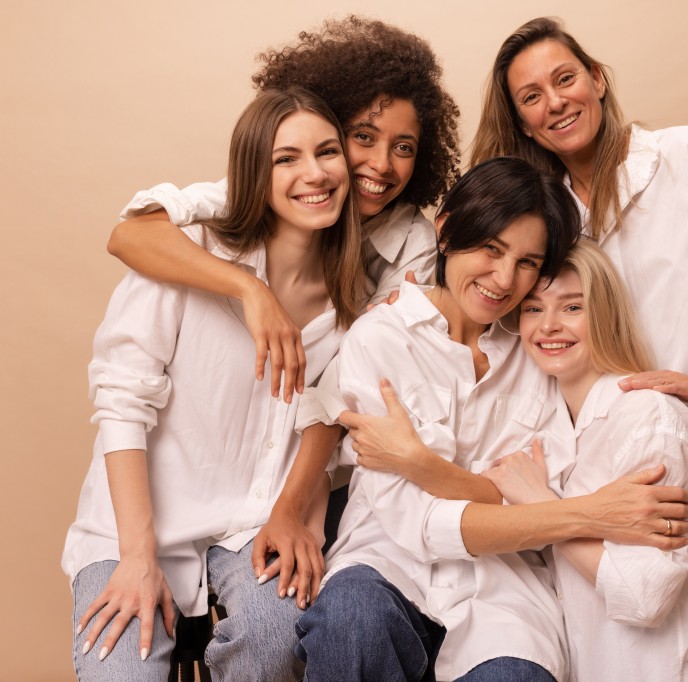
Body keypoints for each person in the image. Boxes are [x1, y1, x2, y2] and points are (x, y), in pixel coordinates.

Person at [471, 17, 688, 680]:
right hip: (638, 494)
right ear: (521, 122)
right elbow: (512, 307)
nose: (555, 101)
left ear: (598, 79)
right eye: (531, 96)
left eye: (565, 78)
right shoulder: (548, 217)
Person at [104, 16, 461, 606]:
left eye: (405, 148)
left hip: (333, 463)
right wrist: (253, 292)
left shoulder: (409, 247)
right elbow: (131, 237)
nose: (382, 164)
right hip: (223, 467)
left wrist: (292, 508)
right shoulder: (276, 183)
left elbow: (349, 388)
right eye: (363, 137)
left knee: (295, 618)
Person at [296, 157, 688, 681]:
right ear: (445, 233)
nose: (505, 279)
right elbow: (415, 522)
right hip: (386, 565)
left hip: (504, 593)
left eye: (528, 262)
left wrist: (419, 462)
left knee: (514, 676)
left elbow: (537, 494)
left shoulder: (538, 350)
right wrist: (583, 511)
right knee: (352, 620)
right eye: (491, 249)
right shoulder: (381, 338)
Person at [61, 86, 366, 681]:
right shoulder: (182, 256)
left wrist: (297, 518)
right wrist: (137, 558)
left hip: (250, 529)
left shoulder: (350, 304)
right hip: (135, 528)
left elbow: (327, 424)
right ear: (255, 173)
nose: (315, 173)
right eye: (286, 158)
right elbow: (122, 404)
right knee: (121, 668)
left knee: (279, 640)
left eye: (327, 152)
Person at [484, 240, 688, 680]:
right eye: (532, 309)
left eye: (571, 308)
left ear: (603, 314)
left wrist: (542, 508)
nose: (548, 326)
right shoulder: (545, 425)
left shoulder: (648, 419)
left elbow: (644, 595)